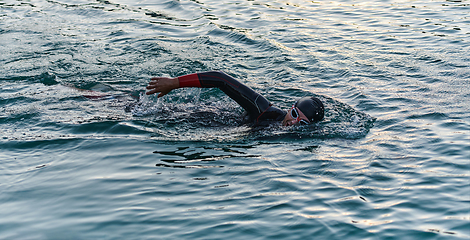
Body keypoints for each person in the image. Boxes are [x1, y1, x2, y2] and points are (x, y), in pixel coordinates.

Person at [146, 71, 324, 127]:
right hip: (211, 118)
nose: (293, 123)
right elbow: (221, 79)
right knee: (147, 113)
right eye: (293, 114)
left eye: (302, 124)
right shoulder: (264, 110)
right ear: (290, 108)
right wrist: (174, 83)